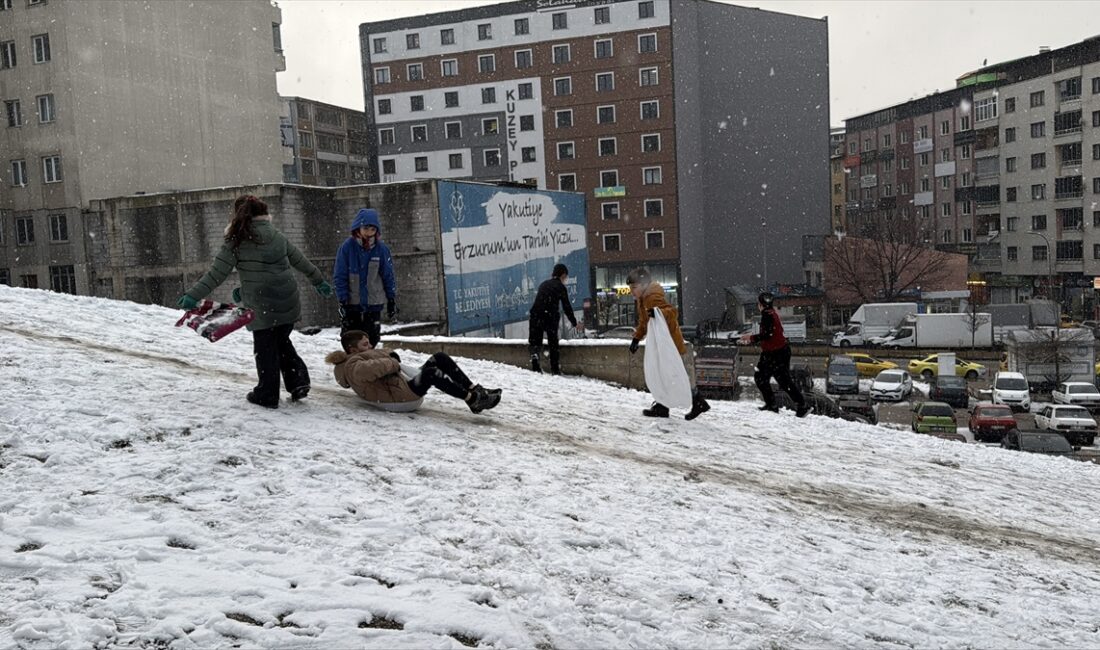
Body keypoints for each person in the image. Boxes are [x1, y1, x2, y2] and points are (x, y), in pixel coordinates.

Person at [177, 194, 333, 409]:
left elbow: (216, 274)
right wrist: (319, 281)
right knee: (281, 340)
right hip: (287, 298)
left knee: (266, 348)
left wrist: (193, 296)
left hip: (262, 304)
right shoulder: (277, 236)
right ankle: (298, 382)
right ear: (264, 214)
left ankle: (267, 394)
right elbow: (301, 262)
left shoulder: (236, 241)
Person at [325, 329, 502, 413]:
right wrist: (391, 361)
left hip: (399, 386)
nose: (370, 346)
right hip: (398, 398)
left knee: (439, 358)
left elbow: (380, 357)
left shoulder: (359, 358)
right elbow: (370, 369)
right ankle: (472, 399)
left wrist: (389, 356)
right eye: (365, 344)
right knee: (431, 374)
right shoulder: (352, 366)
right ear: (352, 349)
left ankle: (474, 390)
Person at [626, 267, 710, 420]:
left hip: (668, 343)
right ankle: (662, 407)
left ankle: (698, 402)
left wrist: (658, 313)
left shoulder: (652, 296)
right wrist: (636, 338)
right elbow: (645, 322)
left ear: (644, 285)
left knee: (673, 375)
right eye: (630, 288)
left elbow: (672, 312)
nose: (631, 291)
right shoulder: (643, 299)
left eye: (634, 287)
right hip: (662, 343)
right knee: (663, 374)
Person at [739, 292, 811, 417]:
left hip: (774, 353)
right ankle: (800, 405)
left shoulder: (767, 315)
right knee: (782, 380)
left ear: (760, 305)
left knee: (762, 378)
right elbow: (771, 333)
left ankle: (775, 405)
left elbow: (767, 334)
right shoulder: (772, 313)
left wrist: (750, 338)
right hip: (779, 351)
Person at [333, 207, 397, 347]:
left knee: (372, 339)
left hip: (373, 304)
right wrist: (343, 299)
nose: (369, 233)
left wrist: (391, 298)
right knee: (351, 340)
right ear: (358, 227)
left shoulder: (381, 250)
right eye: (366, 228)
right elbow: (340, 275)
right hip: (352, 303)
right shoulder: (347, 247)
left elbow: (388, 275)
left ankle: (368, 360)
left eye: (372, 229)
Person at [528, 263, 580, 374]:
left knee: (535, 341)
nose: (565, 279)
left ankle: (535, 361)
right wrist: (574, 323)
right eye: (565, 277)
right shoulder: (560, 287)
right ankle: (555, 369)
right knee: (553, 343)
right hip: (549, 316)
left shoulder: (543, 284)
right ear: (563, 275)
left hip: (535, 314)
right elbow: (566, 307)